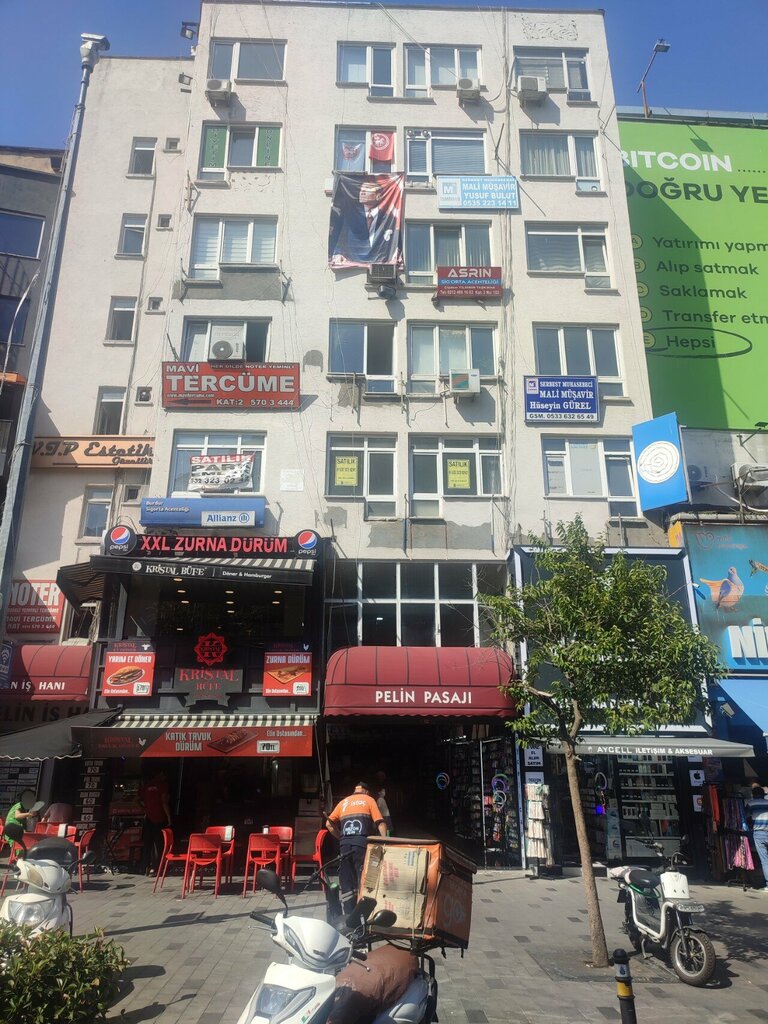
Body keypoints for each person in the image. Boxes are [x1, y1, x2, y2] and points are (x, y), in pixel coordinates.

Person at [325, 782, 386, 914]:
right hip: (362, 845)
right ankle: (366, 913)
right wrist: (385, 843)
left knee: (347, 880)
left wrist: (341, 838)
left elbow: (328, 824)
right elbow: (380, 823)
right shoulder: (369, 800)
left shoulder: (344, 802)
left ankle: (350, 915)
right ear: (366, 791)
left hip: (345, 846)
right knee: (365, 880)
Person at [329, 177, 401, 268]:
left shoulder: (390, 219)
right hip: (352, 267)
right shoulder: (349, 215)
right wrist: (337, 253)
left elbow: (394, 244)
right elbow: (339, 237)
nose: (362, 192)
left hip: (378, 266)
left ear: (378, 196)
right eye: (361, 189)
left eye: (367, 189)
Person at [138, 769, 171, 875]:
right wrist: (169, 817)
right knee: (159, 844)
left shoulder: (146, 785)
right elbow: (164, 802)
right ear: (160, 774)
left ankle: (145, 867)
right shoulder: (162, 785)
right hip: (159, 817)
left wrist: (145, 809)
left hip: (148, 818)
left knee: (148, 843)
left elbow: (137, 800)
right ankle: (158, 868)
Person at [747, 783, 768, 891]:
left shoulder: (751, 804)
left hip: (759, 833)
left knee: (765, 860)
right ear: (763, 794)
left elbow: (746, 817)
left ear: (753, 794)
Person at [374, 771, 393, 836]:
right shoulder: (375, 785)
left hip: (383, 805)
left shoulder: (386, 785)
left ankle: (387, 837)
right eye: (379, 776)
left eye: (382, 776)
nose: (380, 777)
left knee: (386, 821)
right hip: (378, 804)